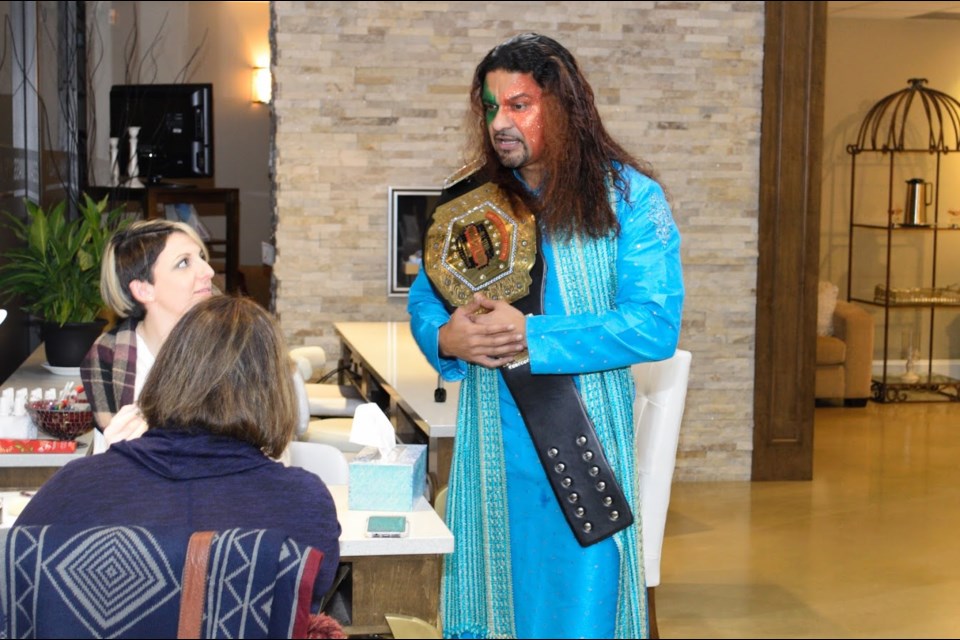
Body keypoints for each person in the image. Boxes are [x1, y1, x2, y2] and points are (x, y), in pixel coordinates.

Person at [407, 33, 684, 639]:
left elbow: (655, 325)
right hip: (487, 448)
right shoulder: (471, 201)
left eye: (519, 105)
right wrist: (447, 340)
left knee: (578, 609)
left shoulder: (629, 199)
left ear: (564, 106)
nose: (499, 122)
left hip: (579, 447)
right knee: (491, 600)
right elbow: (428, 299)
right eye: (489, 107)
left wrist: (537, 335)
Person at [17, 295, 343, 596]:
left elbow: (16, 585)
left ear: (167, 373)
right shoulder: (303, 502)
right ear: (274, 393)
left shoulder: (76, 488)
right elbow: (309, 600)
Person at [81, 218, 309, 452]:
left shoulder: (240, 338)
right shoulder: (108, 357)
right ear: (143, 289)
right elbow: (107, 454)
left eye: (201, 257)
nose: (208, 271)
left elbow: (296, 419)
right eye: (183, 263)